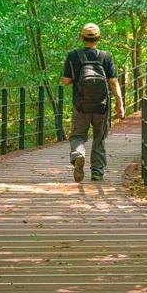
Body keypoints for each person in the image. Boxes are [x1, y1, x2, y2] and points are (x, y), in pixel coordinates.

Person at [62, 23, 124, 182]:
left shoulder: (73, 55)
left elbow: (66, 81)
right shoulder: (105, 56)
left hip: (81, 105)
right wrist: (120, 104)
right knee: (99, 138)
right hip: (101, 106)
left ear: (82, 38)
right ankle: (97, 172)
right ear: (99, 38)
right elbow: (113, 82)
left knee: (78, 135)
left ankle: (78, 155)